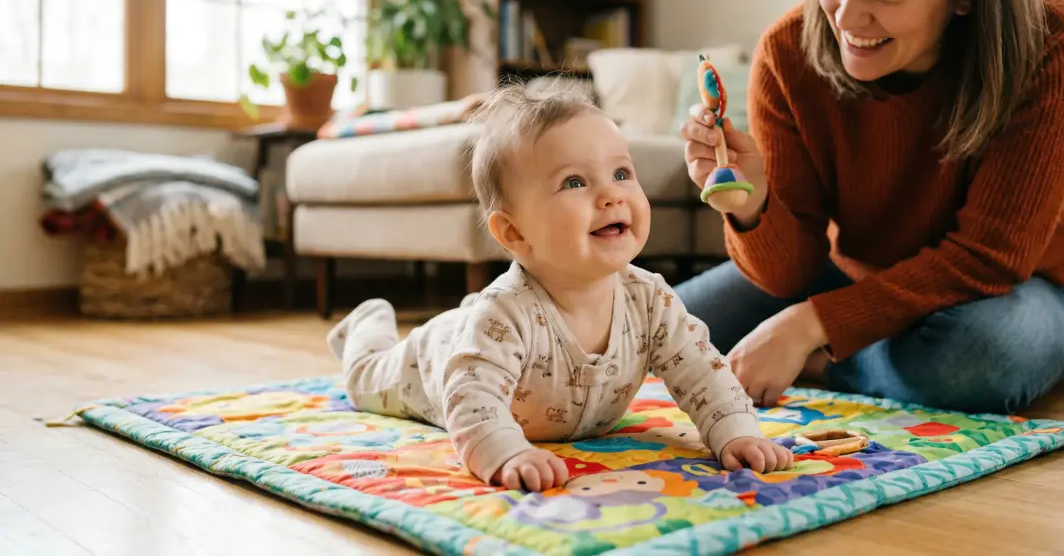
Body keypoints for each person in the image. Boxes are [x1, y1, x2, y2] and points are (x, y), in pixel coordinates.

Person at [675, 0, 1064, 416]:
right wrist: (753, 206)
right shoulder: (786, 52)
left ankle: (828, 366)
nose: (847, 17)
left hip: (1007, 290)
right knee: (657, 329)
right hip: (849, 274)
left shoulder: (1052, 34)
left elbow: (992, 256)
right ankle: (864, 359)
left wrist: (813, 328)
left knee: (976, 360)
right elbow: (789, 275)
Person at [326, 84, 793, 493]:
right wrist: (506, 453)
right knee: (367, 377)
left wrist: (735, 431)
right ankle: (367, 325)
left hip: (493, 345)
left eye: (622, 174)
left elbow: (702, 371)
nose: (611, 195)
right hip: (435, 358)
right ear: (514, 234)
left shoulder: (650, 299)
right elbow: (472, 400)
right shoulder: (504, 316)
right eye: (574, 182)